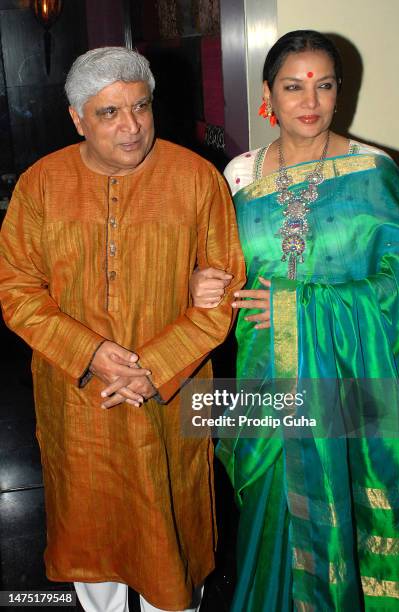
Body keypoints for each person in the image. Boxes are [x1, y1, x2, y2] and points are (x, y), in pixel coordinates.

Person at [190, 30, 399, 611]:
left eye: (323, 85)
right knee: (272, 524)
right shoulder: (240, 177)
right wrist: (199, 283)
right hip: (261, 381)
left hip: (353, 386)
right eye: (293, 86)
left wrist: (302, 306)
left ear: (339, 93)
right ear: (267, 96)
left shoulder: (374, 171)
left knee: (344, 511)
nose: (310, 101)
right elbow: (223, 273)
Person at [0, 47, 245, 612]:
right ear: (77, 118)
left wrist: (152, 367)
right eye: (109, 113)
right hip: (79, 395)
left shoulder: (195, 178)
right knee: (94, 538)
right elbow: (16, 287)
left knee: (172, 542)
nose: (131, 127)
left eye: (140, 106)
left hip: (172, 392)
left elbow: (223, 291)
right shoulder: (42, 184)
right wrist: (90, 353)